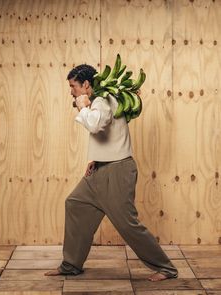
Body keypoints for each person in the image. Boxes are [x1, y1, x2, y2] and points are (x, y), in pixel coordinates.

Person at [44, 64, 178, 281]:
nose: (71, 91)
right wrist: (96, 158)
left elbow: (95, 125)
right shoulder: (100, 100)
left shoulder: (103, 100)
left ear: (86, 84)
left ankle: (165, 268)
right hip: (100, 169)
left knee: (126, 223)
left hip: (117, 171)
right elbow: (109, 132)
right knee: (76, 203)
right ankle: (71, 264)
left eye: (73, 86)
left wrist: (82, 106)